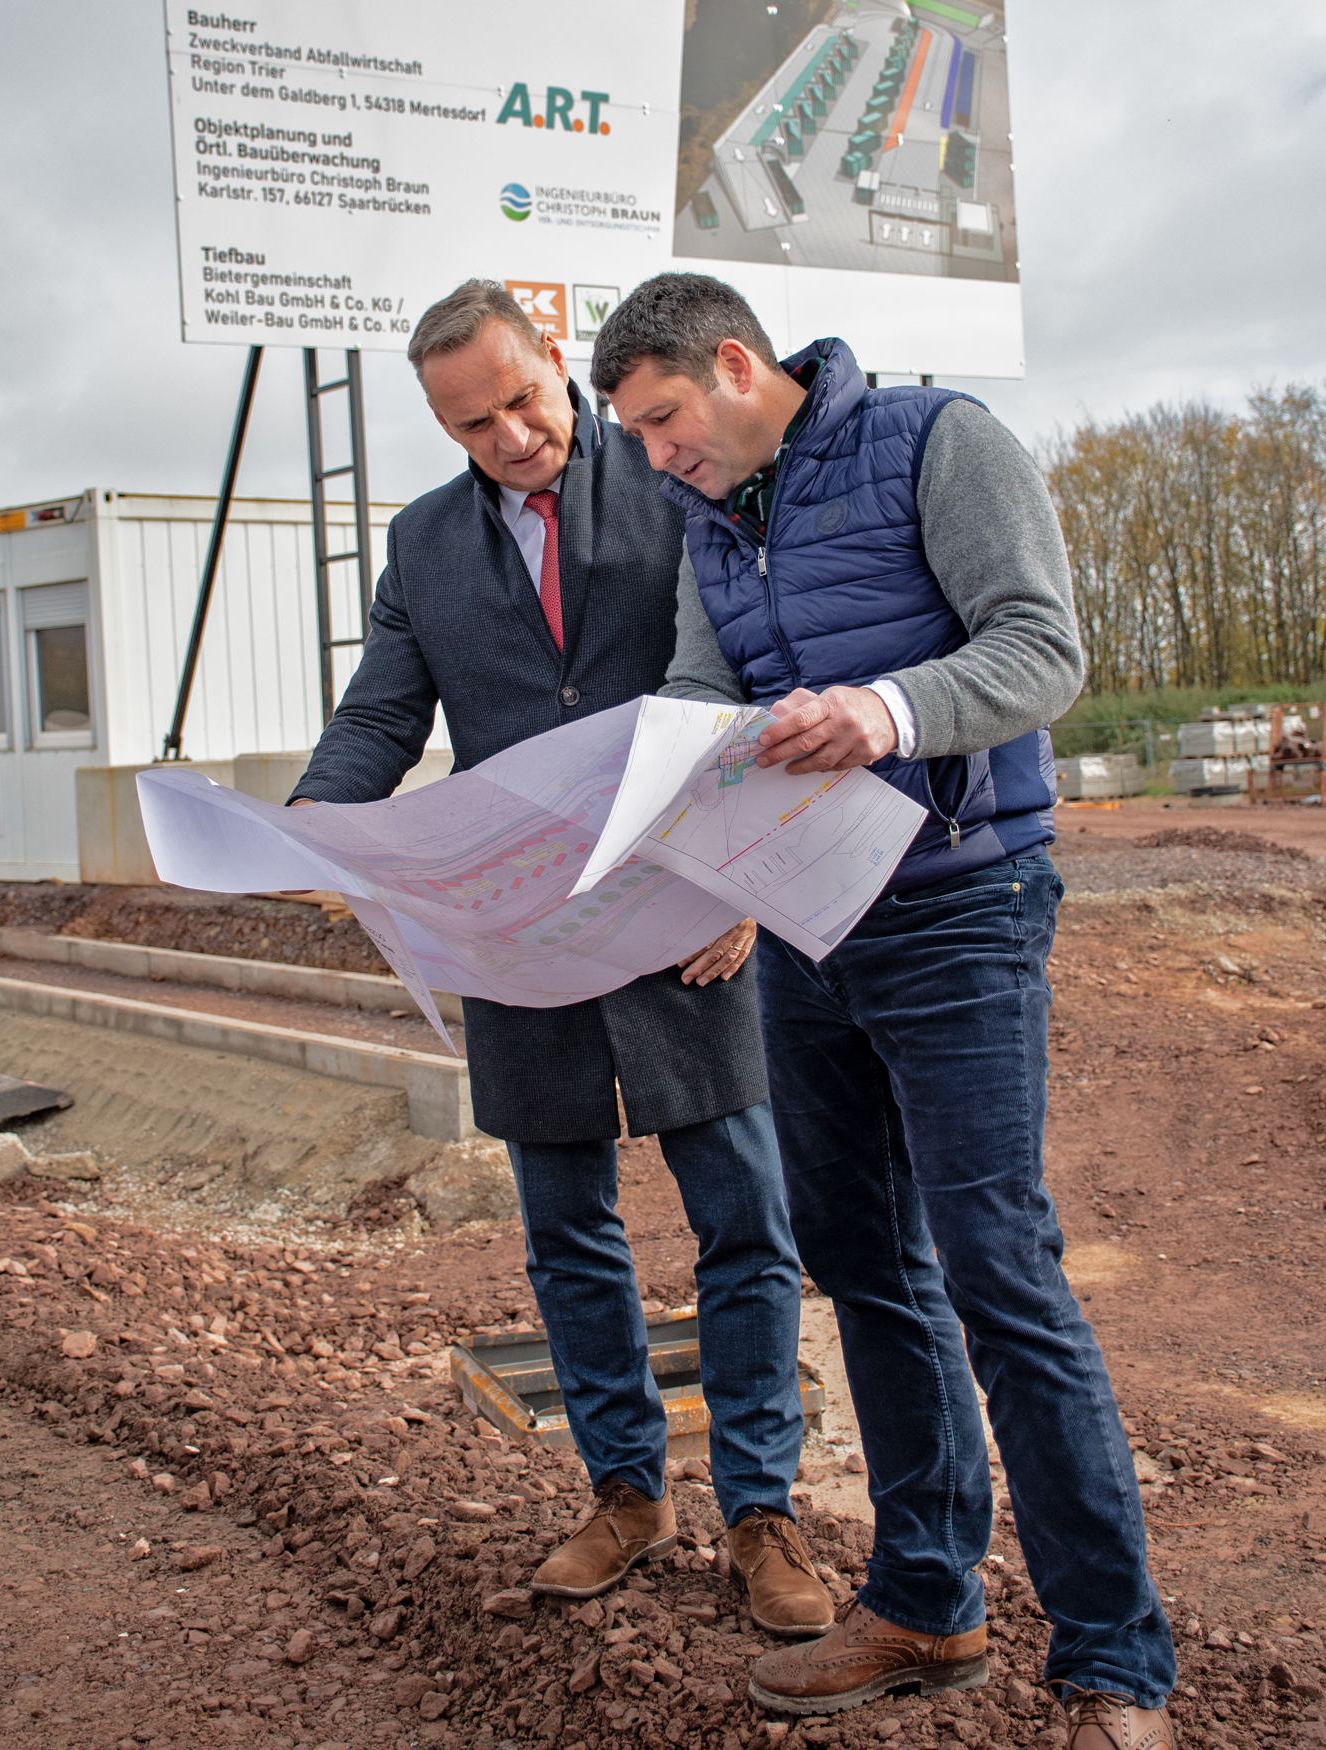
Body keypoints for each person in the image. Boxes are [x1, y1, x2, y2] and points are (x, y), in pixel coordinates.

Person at [591, 274, 1177, 1749]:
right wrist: (656, 792)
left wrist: (887, 710)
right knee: (863, 1260)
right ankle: (926, 1598)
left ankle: (1115, 1665)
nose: (654, 456)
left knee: (998, 1267)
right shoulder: (709, 515)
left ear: (735, 364)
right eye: (639, 436)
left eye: (663, 420)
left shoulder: (935, 441)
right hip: (809, 919)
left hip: (961, 905)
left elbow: (1042, 645)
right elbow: (703, 684)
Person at [289, 279, 833, 1634]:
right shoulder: (422, 544)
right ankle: (625, 1494)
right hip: (521, 929)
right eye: (472, 427)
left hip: (686, 910)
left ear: (551, 356)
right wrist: (310, 820)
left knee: (745, 1219)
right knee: (566, 1232)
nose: (511, 438)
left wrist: (746, 875)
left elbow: (758, 666)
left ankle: (760, 1509)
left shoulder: (671, 477)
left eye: (522, 401)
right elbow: (380, 714)